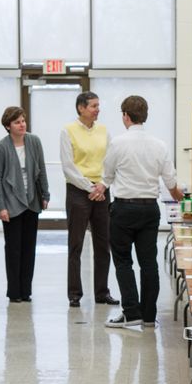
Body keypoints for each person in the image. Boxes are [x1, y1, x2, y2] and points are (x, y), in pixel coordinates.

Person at [100, 95, 182, 328]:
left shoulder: (117, 143)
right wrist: (183, 200)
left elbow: (107, 176)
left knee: (123, 262)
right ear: (145, 116)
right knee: (149, 263)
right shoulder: (159, 145)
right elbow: (171, 182)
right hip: (149, 209)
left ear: (125, 115)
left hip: (124, 208)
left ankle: (131, 312)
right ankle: (148, 316)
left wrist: (99, 188)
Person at [60, 91, 118, 308]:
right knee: (76, 244)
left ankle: (102, 292)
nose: (97, 110)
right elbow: (68, 167)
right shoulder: (68, 131)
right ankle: (74, 294)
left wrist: (103, 185)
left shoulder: (104, 131)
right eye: (93, 106)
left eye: (98, 105)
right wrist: (90, 187)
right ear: (81, 108)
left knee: (103, 244)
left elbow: (110, 161)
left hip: (102, 191)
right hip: (78, 191)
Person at [0, 106, 50, 303]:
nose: (22, 124)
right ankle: (14, 291)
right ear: (8, 126)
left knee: (29, 248)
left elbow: (41, 169)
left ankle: (26, 291)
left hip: (32, 201)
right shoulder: (2, 146)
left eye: (23, 120)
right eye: (17, 122)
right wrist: (1, 206)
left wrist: (46, 194)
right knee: (13, 249)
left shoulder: (34, 141)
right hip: (11, 203)